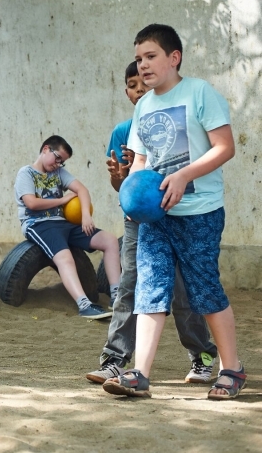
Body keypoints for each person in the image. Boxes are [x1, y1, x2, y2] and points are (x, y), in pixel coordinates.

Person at [103, 24, 244, 400]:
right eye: (138, 59)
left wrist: (183, 175)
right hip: (155, 218)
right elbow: (142, 164)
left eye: (150, 56)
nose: (143, 65)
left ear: (173, 57)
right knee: (150, 290)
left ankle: (232, 368)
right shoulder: (144, 107)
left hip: (199, 212)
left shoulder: (199, 93)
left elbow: (225, 147)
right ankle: (139, 375)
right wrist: (131, 198)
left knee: (204, 291)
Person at [86, 62, 217, 384]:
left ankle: (202, 357)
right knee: (129, 287)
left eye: (143, 82)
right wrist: (120, 180)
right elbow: (128, 187)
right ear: (128, 92)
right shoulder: (123, 131)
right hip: (139, 222)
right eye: (132, 84)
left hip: (182, 214)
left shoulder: (180, 118)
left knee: (185, 291)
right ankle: (115, 359)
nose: (139, 89)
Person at [14, 135, 121, 319]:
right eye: (57, 158)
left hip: (63, 223)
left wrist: (86, 216)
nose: (58, 164)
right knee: (65, 257)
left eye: (62, 162)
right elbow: (31, 203)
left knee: (110, 240)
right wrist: (63, 199)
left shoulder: (59, 174)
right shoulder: (26, 173)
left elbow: (82, 190)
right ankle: (84, 305)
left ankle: (117, 297)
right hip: (38, 224)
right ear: (45, 149)